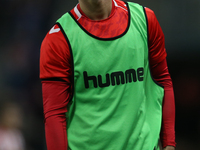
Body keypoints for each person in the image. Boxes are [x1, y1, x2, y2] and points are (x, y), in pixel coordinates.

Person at [40, 0, 176, 149]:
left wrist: (169, 143)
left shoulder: (144, 19)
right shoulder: (59, 39)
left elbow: (162, 80)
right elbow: (54, 114)